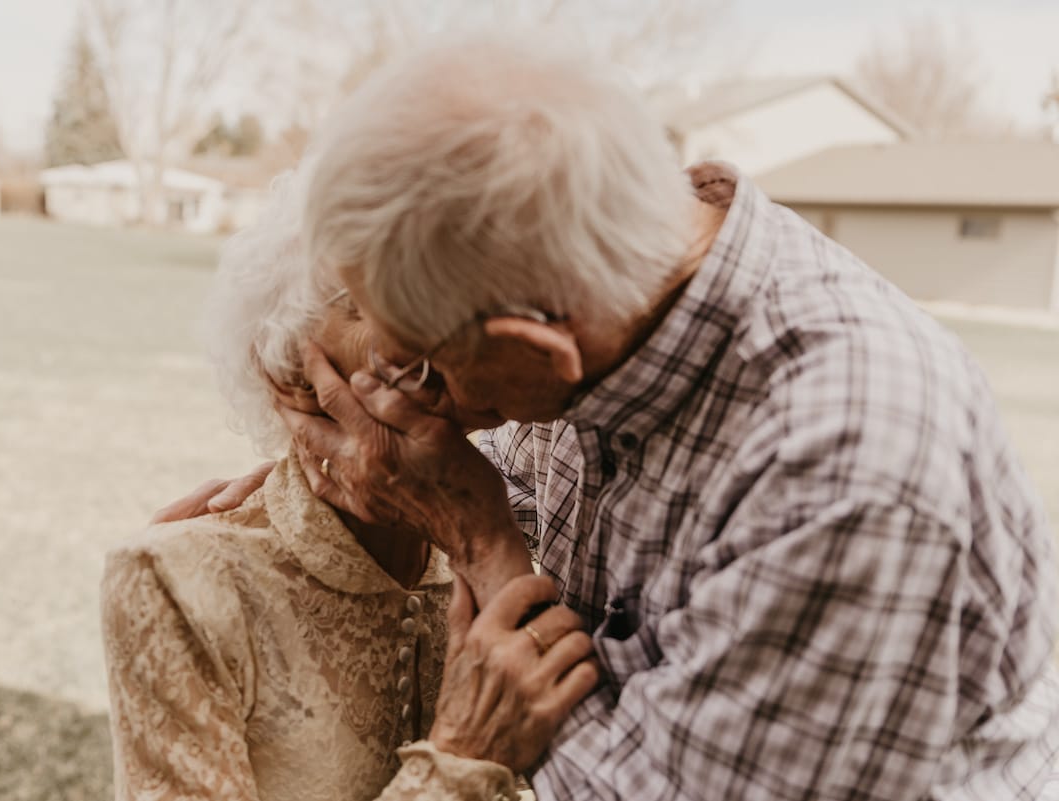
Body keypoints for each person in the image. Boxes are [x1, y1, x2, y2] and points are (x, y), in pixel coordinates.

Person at [164, 35, 1059, 801]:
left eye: (421, 363)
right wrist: (332, 500)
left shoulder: (848, 472)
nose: (405, 392)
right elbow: (539, 486)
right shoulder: (629, 279)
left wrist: (478, 539)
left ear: (540, 347)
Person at [101, 168, 594, 801]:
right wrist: (460, 763)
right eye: (367, 303)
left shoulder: (533, 533)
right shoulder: (178, 580)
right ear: (286, 367)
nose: (428, 332)